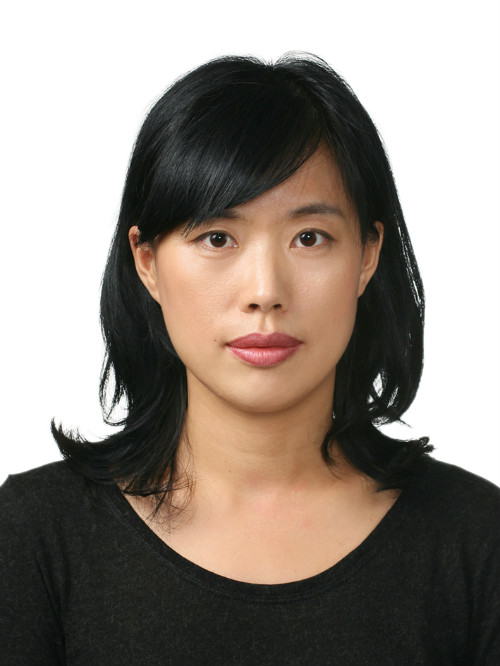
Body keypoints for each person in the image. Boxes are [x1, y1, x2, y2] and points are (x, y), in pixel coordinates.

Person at [0, 54, 498, 665]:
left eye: (309, 238)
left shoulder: (477, 539)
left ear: (367, 256)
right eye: (218, 238)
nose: (266, 291)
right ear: (147, 261)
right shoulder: (34, 535)